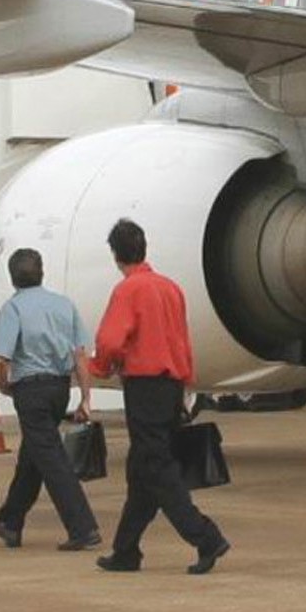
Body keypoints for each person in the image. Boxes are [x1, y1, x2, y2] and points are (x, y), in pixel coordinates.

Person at [85, 218, 228, 575]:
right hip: (170, 385)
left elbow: (111, 340)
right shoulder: (170, 288)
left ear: (116, 255)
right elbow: (182, 340)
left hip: (144, 386)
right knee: (142, 471)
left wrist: (99, 366)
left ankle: (205, 535)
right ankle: (126, 549)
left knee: (157, 468)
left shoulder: (129, 290)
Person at [0, 246, 102, 553]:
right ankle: (11, 519)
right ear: (42, 273)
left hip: (31, 389)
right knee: (34, 455)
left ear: (13, 279)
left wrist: (5, 386)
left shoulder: (14, 308)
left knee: (52, 459)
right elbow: (80, 355)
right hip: (59, 389)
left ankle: (83, 527)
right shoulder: (64, 305)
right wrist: (85, 398)